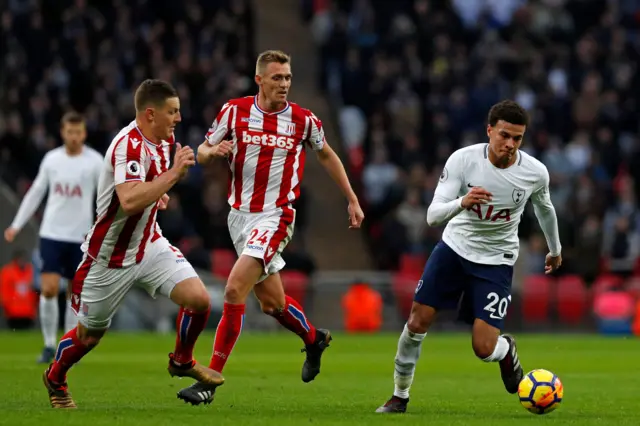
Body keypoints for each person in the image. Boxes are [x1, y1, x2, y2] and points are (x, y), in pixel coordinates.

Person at [178, 49, 365, 405]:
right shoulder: (234, 110)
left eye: (288, 78)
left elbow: (326, 154)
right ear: (259, 79)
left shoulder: (303, 120)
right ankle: (314, 340)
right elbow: (203, 149)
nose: (284, 84)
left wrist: (352, 198)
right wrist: (210, 154)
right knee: (272, 304)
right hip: (239, 218)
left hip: (276, 215)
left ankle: (209, 380)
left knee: (234, 290)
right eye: (277, 77)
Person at [41, 79, 224, 409]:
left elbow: (142, 188)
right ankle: (55, 377)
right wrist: (172, 176)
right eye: (173, 112)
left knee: (199, 300)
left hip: (149, 244)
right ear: (151, 114)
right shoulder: (128, 144)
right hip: (110, 257)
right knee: (89, 336)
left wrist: (159, 194)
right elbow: (127, 200)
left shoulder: (162, 140)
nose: (179, 119)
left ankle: (181, 360)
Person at [376, 100, 562, 413]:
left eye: (517, 138)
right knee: (417, 320)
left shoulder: (534, 172)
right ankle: (399, 395)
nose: (510, 144)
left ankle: (505, 351)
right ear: (489, 130)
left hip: (497, 260)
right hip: (455, 249)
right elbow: (433, 216)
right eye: (504, 135)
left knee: (483, 347)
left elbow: (545, 208)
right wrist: (462, 202)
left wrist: (555, 250)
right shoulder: (463, 161)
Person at [4, 112, 103, 363]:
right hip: (52, 233)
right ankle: (49, 344)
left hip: (80, 236)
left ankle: (67, 345)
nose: (74, 137)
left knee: (74, 293)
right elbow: (36, 192)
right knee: (48, 289)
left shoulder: (94, 162)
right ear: (62, 133)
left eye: (78, 132)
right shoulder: (52, 159)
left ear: (84, 133)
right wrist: (16, 224)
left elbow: (106, 195)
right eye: (69, 132)